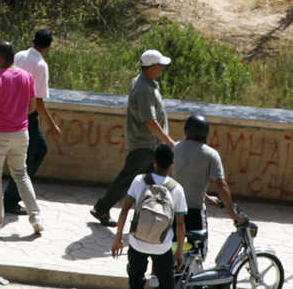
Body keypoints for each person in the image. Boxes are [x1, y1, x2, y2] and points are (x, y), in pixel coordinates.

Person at [94, 49, 173, 224]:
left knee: (150, 184)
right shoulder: (144, 88)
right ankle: (102, 208)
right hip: (146, 145)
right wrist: (168, 141)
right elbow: (150, 120)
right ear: (151, 67)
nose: (162, 69)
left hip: (148, 144)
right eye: (160, 66)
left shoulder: (145, 82)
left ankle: (146, 218)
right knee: (130, 179)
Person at [0, 40, 43, 236]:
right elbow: (32, 107)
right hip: (21, 133)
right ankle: (36, 218)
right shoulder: (26, 77)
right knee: (21, 174)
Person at [110, 143, 188, 288]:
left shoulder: (139, 180)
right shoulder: (177, 189)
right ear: (172, 164)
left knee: (135, 282)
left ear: (154, 161)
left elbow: (125, 210)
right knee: (166, 284)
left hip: (137, 243)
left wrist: (118, 239)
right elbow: (181, 224)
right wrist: (179, 252)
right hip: (162, 246)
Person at [3, 28, 62, 218]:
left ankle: (13, 196)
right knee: (32, 155)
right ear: (49, 46)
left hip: (11, 110)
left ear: (33, 40)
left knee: (35, 151)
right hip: (28, 115)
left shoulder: (19, 55)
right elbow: (39, 102)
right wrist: (52, 125)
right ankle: (11, 199)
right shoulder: (41, 66)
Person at [171, 115, 235, 248]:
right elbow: (221, 184)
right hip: (194, 212)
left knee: (171, 247)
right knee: (198, 252)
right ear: (206, 132)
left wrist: (207, 198)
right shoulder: (210, 154)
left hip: (173, 209)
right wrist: (232, 213)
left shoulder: (175, 148)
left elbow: (183, 180)